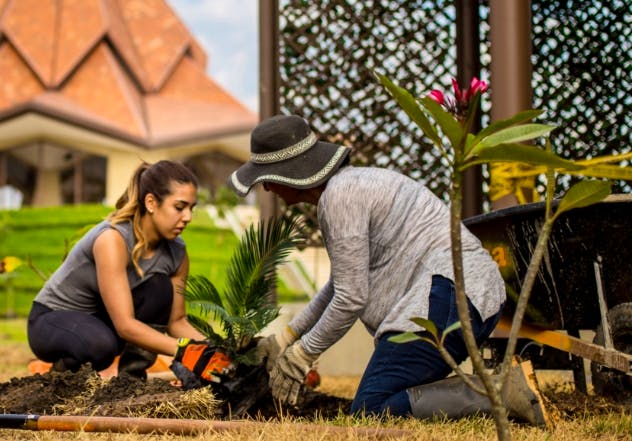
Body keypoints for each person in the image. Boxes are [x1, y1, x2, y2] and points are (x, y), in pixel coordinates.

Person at [228, 114, 552, 427]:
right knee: (380, 399)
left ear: (289, 173)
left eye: (266, 178)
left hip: (449, 295)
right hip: (465, 294)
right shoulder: (349, 188)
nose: (267, 189)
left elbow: (350, 298)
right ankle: (495, 389)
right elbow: (338, 285)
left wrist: (302, 355)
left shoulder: (340, 198)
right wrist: (286, 338)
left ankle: (499, 392)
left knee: (372, 409)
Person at [27, 160, 231, 384]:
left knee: (160, 288)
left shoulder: (177, 254)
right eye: (179, 207)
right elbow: (124, 325)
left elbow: (177, 322)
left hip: (101, 322)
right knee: (100, 346)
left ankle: (130, 382)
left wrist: (219, 349)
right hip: (51, 321)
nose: (188, 217)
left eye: (191, 208)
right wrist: (185, 351)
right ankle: (58, 382)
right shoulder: (112, 239)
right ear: (151, 203)